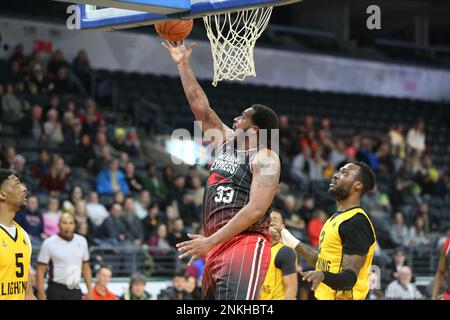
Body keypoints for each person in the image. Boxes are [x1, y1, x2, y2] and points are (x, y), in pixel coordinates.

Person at [164, 40, 281, 300]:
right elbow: (202, 110)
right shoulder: (228, 142)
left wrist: (209, 241)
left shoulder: (266, 158)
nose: (235, 119)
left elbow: (254, 210)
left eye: (242, 116)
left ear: (256, 130)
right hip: (217, 245)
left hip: (245, 244)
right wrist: (183, 64)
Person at [271, 162, 377, 300]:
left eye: (344, 173)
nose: (336, 175)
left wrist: (323, 275)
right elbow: (320, 261)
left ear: (357, 185)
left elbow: (349, 278)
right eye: (338, 171)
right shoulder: (334, 218)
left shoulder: (356, 221)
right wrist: (286, 236)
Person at [36, 212, 93, 300]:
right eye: (64, 223)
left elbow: (86, 268)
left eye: (71, 223)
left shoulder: (82, 241)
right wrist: (41, 292)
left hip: (74, 287)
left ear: (74, 225)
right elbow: (40, 270)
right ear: (58, 225)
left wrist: (90, 290)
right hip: (56, 288)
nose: (68, 226)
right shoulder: (49, 243)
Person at [0, 169, 36, 300]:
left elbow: (28, 294)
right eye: (17, 184)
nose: (24, 189)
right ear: (2, 194)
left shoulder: (24, 236)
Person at [260, 211, 298, 300]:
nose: (271, 221)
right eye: (268, 219)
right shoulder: (259, 249)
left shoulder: (285, 251)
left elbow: (291, 289)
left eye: (275, 219)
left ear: (282, 227)